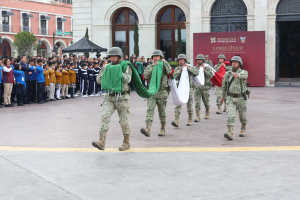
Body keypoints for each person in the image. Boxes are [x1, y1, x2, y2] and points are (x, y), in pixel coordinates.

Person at [92, 47, 132, 151]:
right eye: (111, 56)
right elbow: (99, 80)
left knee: (123, 121)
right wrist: (109, 74)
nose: (112, 58)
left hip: (122, 98)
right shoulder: (106, 67)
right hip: (109, 97)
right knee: (104, 117)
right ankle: (101, 141)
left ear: (119, 57)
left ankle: (126, 142)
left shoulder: (124, 66)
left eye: (114, 56)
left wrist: (116, 73)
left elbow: (128, 79)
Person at [140, 50, 173, 137]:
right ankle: (148, 129)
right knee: (150, 110)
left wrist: (165, 63)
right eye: (154, 56)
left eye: (157, 56)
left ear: (161, 57)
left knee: (162, 112)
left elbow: (170, 72)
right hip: (152, 92)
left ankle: (162, 129)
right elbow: (145, 76)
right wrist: (152, 68)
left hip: (162, 92)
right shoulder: (150, 66)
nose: (155, 58)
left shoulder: (164, 66)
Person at [221, 56, 248, 140]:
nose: (234, 63)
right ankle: (230, 132)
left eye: (236, 62)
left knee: (243, 116)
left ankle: (243, 128)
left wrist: (238, 75)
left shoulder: (243, 72)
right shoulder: (227, 74)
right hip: (230, 98)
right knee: (230, 115)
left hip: (241, 98)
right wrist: (222, 97)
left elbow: (244, 76)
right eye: (232, 62)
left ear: (239, 64)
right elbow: (224, 86)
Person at [172, 54, 199, 127]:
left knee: (189, 105)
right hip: (180, 89)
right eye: (179, 60)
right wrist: (180, 70)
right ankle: (176, 120)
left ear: (185, 60)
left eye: (182, 60)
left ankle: (190, 119)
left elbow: (197, 73)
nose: (181, 61)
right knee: (178, 104)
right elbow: (173, 76)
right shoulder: (177, 69)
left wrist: (188, 68)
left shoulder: (190, 67)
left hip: (189, 89)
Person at [194, 54, 213, 122]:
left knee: (206, 102)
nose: (199, 61)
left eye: (200, 60)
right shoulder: (195, 68)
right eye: (198, 60)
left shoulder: (207, 67)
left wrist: (204, 70)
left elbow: (210, 75)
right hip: (197, 88)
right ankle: (197, 116)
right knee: (197, 103)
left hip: (205, 87)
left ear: (203, 60)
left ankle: (207, 111)